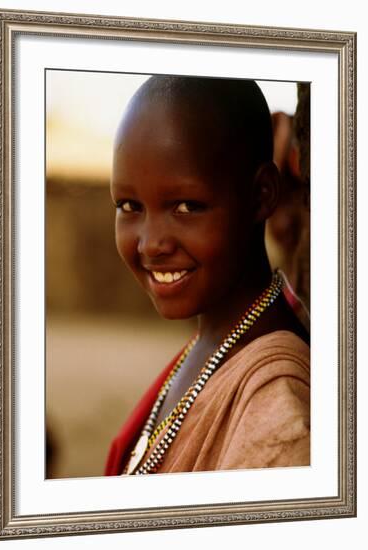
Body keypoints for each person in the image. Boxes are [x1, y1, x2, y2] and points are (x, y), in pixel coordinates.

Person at [105, 75, 310, 476]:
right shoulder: (213, 341)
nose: (150, 244)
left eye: (185, 206)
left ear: (262, 194)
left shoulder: (277, 412)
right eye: (129, 205)